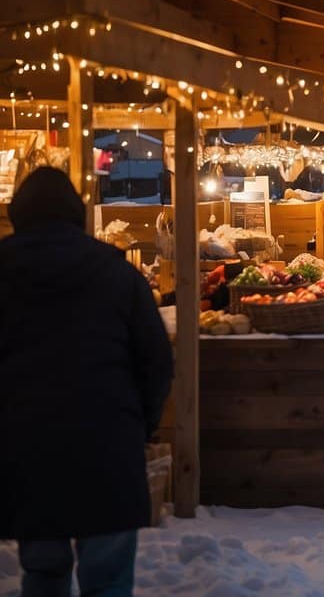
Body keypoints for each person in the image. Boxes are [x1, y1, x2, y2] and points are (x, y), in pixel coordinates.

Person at [1, 168, 173, 596]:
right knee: (108, 580)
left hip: (24, 451)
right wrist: (140, 425)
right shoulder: (117, 273)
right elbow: (156, 362)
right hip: (108, 447)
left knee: (42, 574)